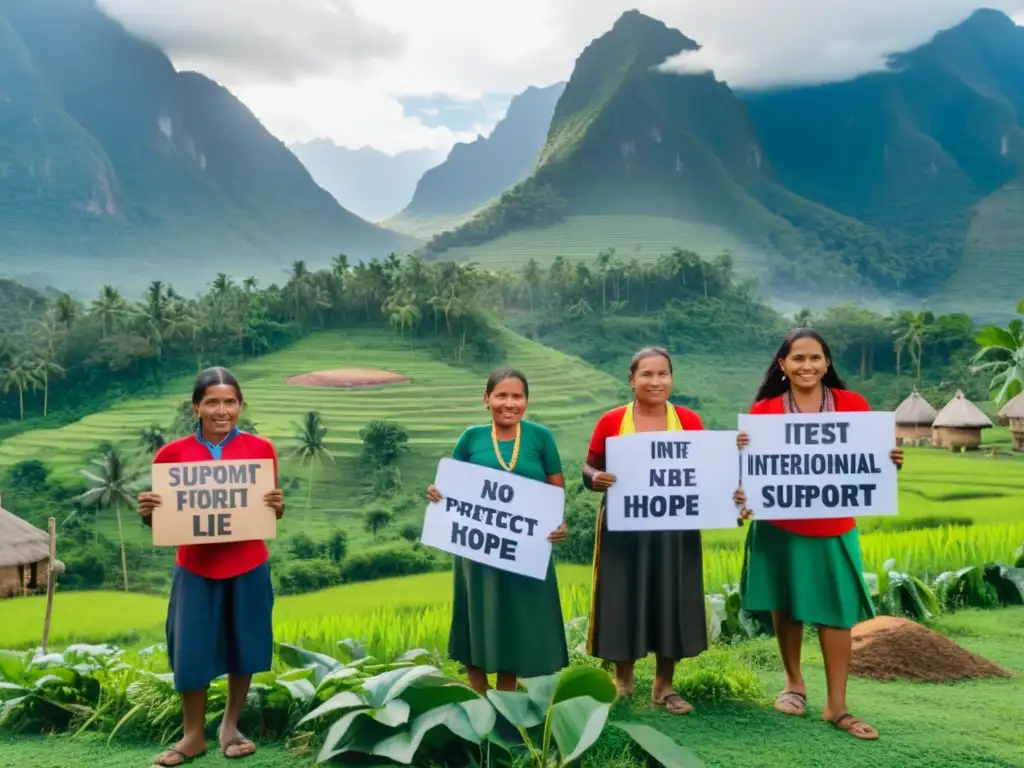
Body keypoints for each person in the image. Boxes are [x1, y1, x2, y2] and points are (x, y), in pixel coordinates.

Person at [733, 328, 903, 741]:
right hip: (779, 526)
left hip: (833, 525)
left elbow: (870, 463)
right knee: (786, 605)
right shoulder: (764, 412)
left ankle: (837, 706)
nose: (806, 366)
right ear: (783, 365)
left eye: (814, 358)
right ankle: (794, 685)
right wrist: (739, 457)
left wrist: (890, 460)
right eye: (798, 359)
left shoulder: (852, 405)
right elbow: (746, 474)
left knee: (836, 612)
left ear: (827, 363)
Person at [137, 367, 285, 766]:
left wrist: (278, 507)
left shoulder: (260, 449)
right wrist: (149, 513)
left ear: (240, 405)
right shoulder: (171, 456)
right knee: (191, 648)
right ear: (196, 407)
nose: (222, 410)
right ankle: (192, 735)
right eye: (213, 402)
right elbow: (164, 521)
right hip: (196, 566)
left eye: (230, 402)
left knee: (246, 644)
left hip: (248, 562)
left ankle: (230, 726)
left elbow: (268, 512)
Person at [426, 367, 569, 693]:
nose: (509, 403)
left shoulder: (541, 438)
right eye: (501, 395)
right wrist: (437, 492)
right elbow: (451, 486)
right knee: (477, 612)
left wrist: (559, 523)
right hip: (478, 548)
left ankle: (506, 690)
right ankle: (476, 688)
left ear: (526, 401)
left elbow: (556, 492)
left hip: (526, 549)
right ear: (486, 399)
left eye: (517, 396)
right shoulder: (471, 438)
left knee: (516, 617)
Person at [582, 346, 707, 715]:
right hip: (624, 529)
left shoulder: (688, 420)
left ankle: (664, 686)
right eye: (647, 374)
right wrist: (597, 478)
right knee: (623, 596)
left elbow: (706, 471)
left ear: (672, 378)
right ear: (632, 380)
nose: (656, 381)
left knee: (673, 596)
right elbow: (588, 469)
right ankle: (623, 682)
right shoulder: (612, 421)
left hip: (675, 528)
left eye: (663, 374)